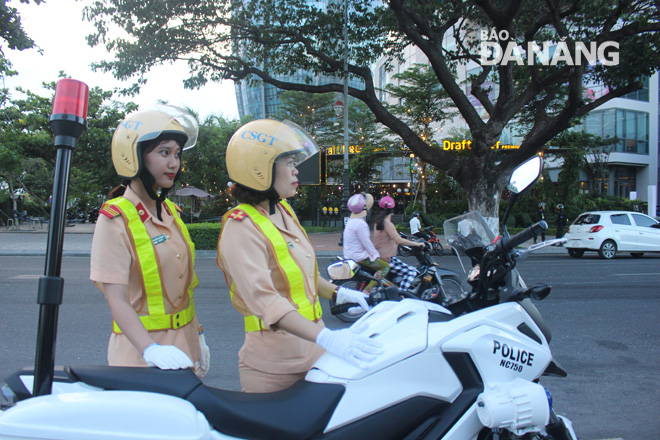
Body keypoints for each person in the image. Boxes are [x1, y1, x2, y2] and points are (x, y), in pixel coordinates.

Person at [216, 119, 382, 393]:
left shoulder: (285, 212)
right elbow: (266, 300)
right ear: (260, 167)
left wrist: (338, 294)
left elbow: (303, 275)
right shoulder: (240, 227)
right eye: (289, 163)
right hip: (274, 368)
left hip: (314, 355)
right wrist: (328, 337)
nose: (296, 170)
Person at [90, 104, 209, 378]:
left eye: (177, 154)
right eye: (164, 152)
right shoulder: (115, 219)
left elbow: (182, 290)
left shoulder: (171, 213)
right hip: (142, 358)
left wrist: (198, 335)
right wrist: (151, 350)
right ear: (133, 157)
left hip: (186, 350)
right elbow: (117, 300)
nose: (174, 163)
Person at [373, 196, 424, 291]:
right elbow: (399, 240)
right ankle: (401, 295)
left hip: (382, 257)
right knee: (411, 272)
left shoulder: (378, 223)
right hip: (389, 259)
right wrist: (417, 244)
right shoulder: (387, 223)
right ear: (392, 209)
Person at [343, 192, 390, 290]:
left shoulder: (351, 222)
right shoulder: (361, 224)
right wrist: (378, 255)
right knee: (385, 267)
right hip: (360, 257)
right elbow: (367, 244)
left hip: (349, 255)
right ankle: (368, 290)